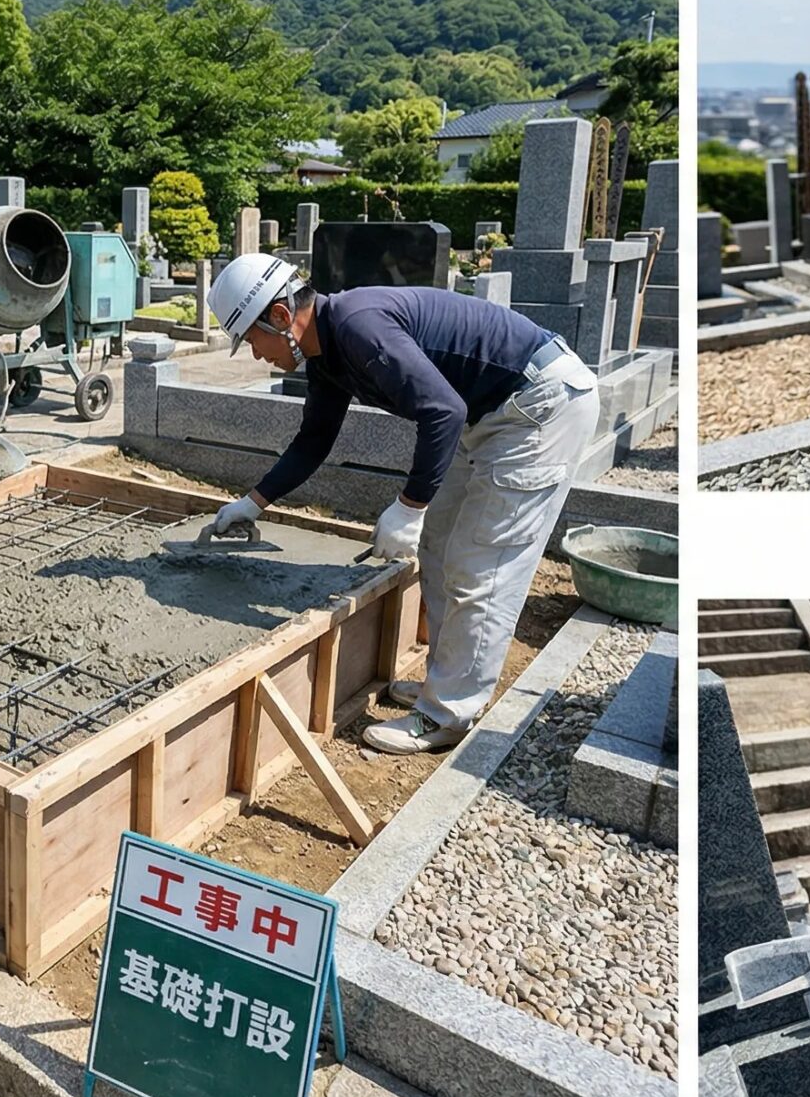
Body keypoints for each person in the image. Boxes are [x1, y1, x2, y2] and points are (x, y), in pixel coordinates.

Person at [202, 254, 600, 755]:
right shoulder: (325, 352)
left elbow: (442, 411)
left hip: (540, 405)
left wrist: (409, 506)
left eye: (251, 340)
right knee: (437, 546)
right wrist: (253, 503)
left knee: (482, 565)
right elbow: (314, 440)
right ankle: (444, 681)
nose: (256, 355)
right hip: (492, 412)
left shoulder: (357, 327)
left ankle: (446, 714)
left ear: (280, 318)